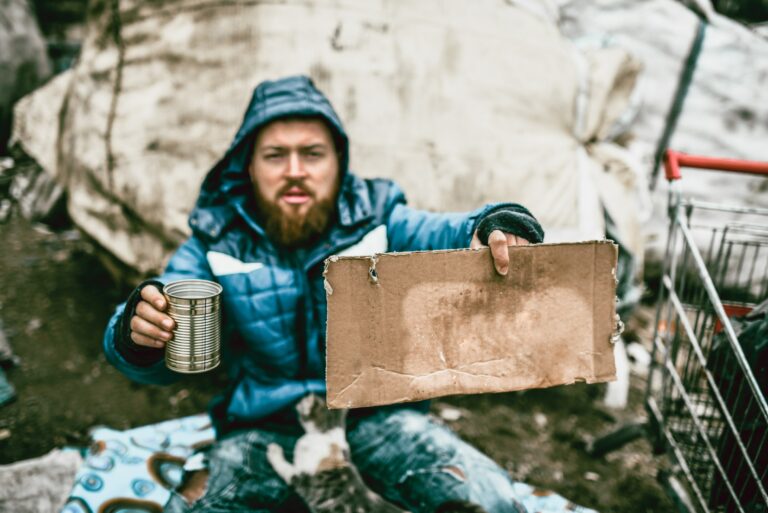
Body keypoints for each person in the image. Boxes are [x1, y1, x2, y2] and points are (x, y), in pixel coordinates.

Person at [103, 75, 544, 513]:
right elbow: (154, 328)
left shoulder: (379, 219)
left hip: (377, 420)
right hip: (262, 431)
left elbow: (452, 231)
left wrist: (496, 226)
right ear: (249, 167)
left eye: (312, 154)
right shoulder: (213, 244)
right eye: (275, 155)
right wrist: (137, 332)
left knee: (490, 499)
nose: (295, 170)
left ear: (338, 160)